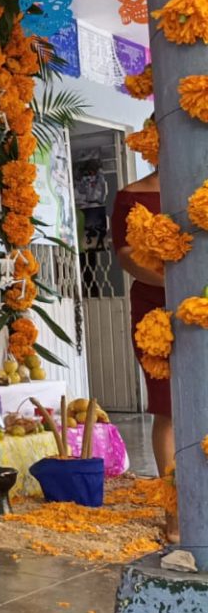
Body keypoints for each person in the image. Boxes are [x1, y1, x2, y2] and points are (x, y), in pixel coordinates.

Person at [113, 169, 174, 489]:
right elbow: (126, 257)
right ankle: (174, 501)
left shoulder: (200, 189)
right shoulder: (131, 196)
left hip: (201, 300)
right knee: (168, 406)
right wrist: (172, 283)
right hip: (155, 308)